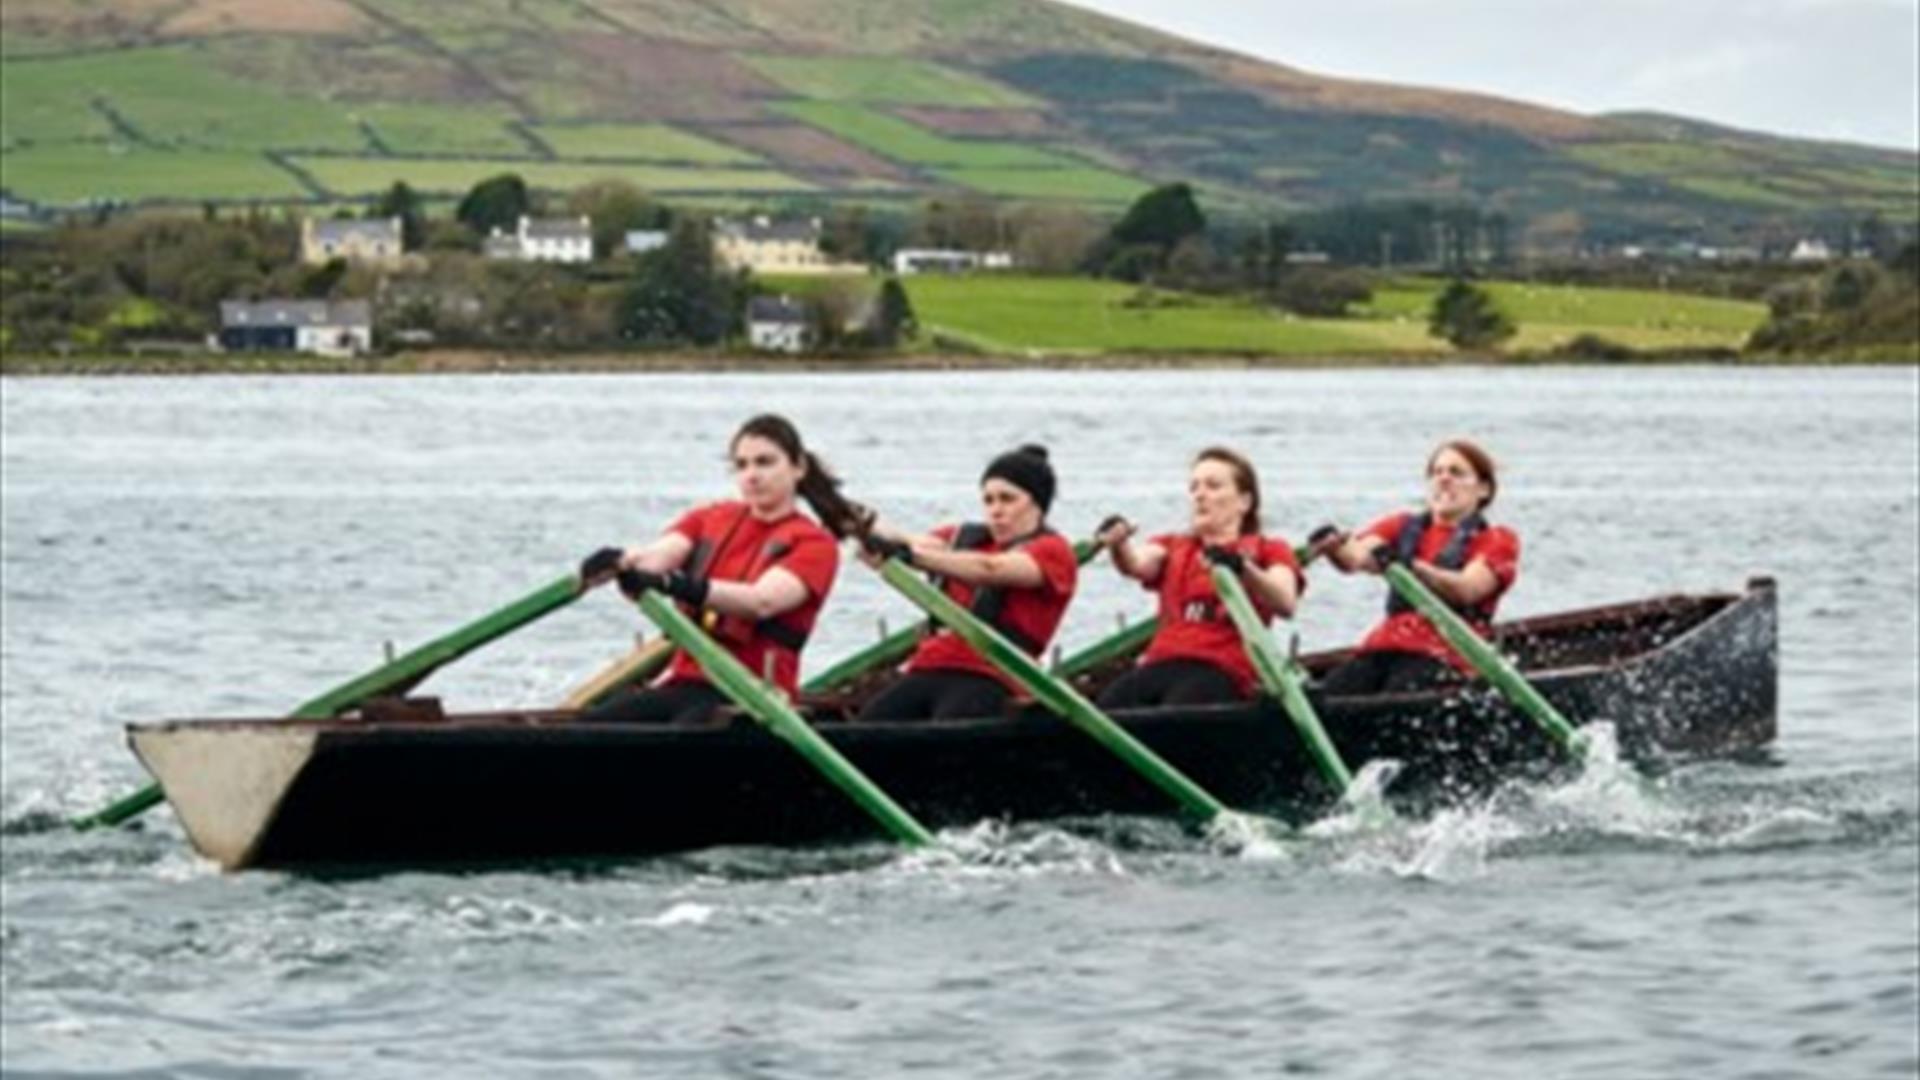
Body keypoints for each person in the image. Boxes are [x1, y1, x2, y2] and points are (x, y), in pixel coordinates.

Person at [576, 414, 858, 725]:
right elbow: (658, 556)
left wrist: (676, 585)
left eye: (765, 463)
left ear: (798, 468)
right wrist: (621, 561)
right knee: (587, 728)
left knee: (683, 735)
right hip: (686, 682)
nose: (752, 476)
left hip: (755, 693)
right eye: (742, 465)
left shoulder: (814, 543)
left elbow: (761, 602)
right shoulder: (710, 518)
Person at [855, 445, 1079, 722]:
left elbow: (989, 569)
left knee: (949, 728)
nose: (996, 511)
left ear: (1037, 504)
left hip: (992, 674)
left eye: (1007, 499)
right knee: (869, 724)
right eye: (988, 500)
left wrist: (911, 557)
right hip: (928, 667)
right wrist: (858, 521)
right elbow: (911, 541)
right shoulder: (966, 537)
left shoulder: (1053, 551)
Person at [1094, 447, 1305, 709]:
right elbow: (1136, 564)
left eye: (1213, 486)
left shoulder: (1270, 549)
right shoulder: (1173, 546)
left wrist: (1243, 569)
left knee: (1179, 709)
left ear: (1245, 502)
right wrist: (1118, 543)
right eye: (1194, 488)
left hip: (1222, 669)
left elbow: (1285, 601)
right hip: (1163, 662)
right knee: (1110, 705)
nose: (1200, 495)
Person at [1313, 438, 1520, 696]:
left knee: (1399, 693)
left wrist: (1413, 568)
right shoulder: (1401, 526)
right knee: (1333, 692)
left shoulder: (1498, 539)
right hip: (1384, 649)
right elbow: (1356, 558)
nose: (1444, 479)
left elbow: (1467, 588)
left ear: (1484, 490)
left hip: (1448, 656)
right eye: (1437, 472)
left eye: (1456, 473)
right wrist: (1334, 547)